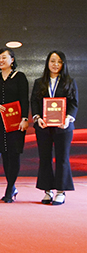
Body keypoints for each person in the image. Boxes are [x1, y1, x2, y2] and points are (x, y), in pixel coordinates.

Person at [31, 51, 79, 206]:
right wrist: (38, 118)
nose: (55, 64)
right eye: (52, 61)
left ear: (63, 64)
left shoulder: (69, 82)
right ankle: (47, 191)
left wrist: (67, 119)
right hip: (43, 127)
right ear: (47, 63)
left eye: (59, 62)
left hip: (63, 127)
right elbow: (34, 102)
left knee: (62, 158)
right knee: (44, 158)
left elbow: (74, 103)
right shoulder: (39, 82)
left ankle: (60, 191)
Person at [0, 47, 29, 203]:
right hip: (0, 121)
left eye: (4, 57)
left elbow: (24, 99)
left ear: (12, 60)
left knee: (14, 153)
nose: (1, 60)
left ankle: (10, 187)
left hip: (16, 121)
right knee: (4, 153)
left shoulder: (19, 77)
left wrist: (24, 118)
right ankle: (11, 187)